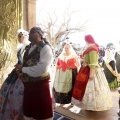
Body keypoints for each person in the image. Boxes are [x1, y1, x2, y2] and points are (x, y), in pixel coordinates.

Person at [15, 26, 53, 120]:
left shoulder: (45, 48)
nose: (30, 33)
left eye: (33, 32)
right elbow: (26, 63)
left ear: (39, 35)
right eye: (30, 32)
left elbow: (42, 68)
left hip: (40, 87)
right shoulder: (28, 48)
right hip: (29, 86)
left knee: (41, 113)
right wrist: (20, 72)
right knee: (29, 113)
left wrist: (23, 69)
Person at [72, 34, 112, 111]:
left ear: (87, 40)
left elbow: (93, 62)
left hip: (90, 70)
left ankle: (93, 105)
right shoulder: (91, 47)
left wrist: (91, 74)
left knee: (92, 87)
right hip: (86, 68)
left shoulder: (92, 48)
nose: (85, 42)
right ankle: (89, 105)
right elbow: (89, 59)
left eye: (85, 40)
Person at [0, 29, 30, 120]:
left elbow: (28, 62)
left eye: (20, 36)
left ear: (25, 37)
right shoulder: (20, 47)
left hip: (24, 73)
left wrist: (21, 69)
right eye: (18, 36)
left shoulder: (28, 47)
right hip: (16, 72)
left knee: (17, 96)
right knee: (5, 92)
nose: (18, 38)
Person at [53, 43, 80, 109]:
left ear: (70, 48)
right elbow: (57, 65)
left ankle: (71, 103)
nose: (66, 49)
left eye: (67, 48)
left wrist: (77, 72)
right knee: (61, 87)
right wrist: (56, 72)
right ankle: (61, 102)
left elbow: (78, 65)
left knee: (70, 87)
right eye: (65, 48)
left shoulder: (73, 56)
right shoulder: (60, 56)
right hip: (61, 74)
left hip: (70, 73)